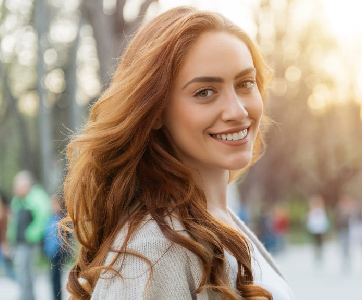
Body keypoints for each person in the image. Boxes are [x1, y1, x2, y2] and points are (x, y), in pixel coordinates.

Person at [61, 7, 294, 300]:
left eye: (245, 83)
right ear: (156, 111)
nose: (238, 110)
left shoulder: (220, 218)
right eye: (205, 92)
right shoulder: (153, 251)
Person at [6, 171, 52, 300]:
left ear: (26, 185)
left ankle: (27, 296)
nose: (15, 189)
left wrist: (31, 234)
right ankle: (26, 296)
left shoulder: (36, 197)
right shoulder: (18, 200)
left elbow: (42, 217)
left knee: (26, 271)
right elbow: (13, 221)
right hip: (18, 242)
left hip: (29, 242)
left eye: (18, 186)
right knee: (22, 270)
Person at [44, 194, 70, 300]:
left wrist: (63, 250)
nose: (53, 206)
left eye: (55, 204)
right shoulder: (50, 218)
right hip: (50, 251)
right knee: (52, 277)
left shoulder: (62, 219)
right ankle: (55, 297)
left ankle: (57, 298)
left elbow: (67, 237)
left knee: (56, 277)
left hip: (58, 252)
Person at [305, 195, 329, 265]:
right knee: (315, 244)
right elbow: (310, 221)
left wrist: (324, 228)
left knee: (320, 244)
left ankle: (320, 256)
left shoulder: (321, 212)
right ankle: (316, 256)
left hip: (320, 230)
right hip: (314, 230)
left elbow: (324, 221)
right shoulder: (312, 212)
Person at [0, 190, 16, 280]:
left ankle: (21, 285)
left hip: (4, 244)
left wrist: (6, 244)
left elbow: (8, 230)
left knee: (8, 270)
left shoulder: (6, 213)